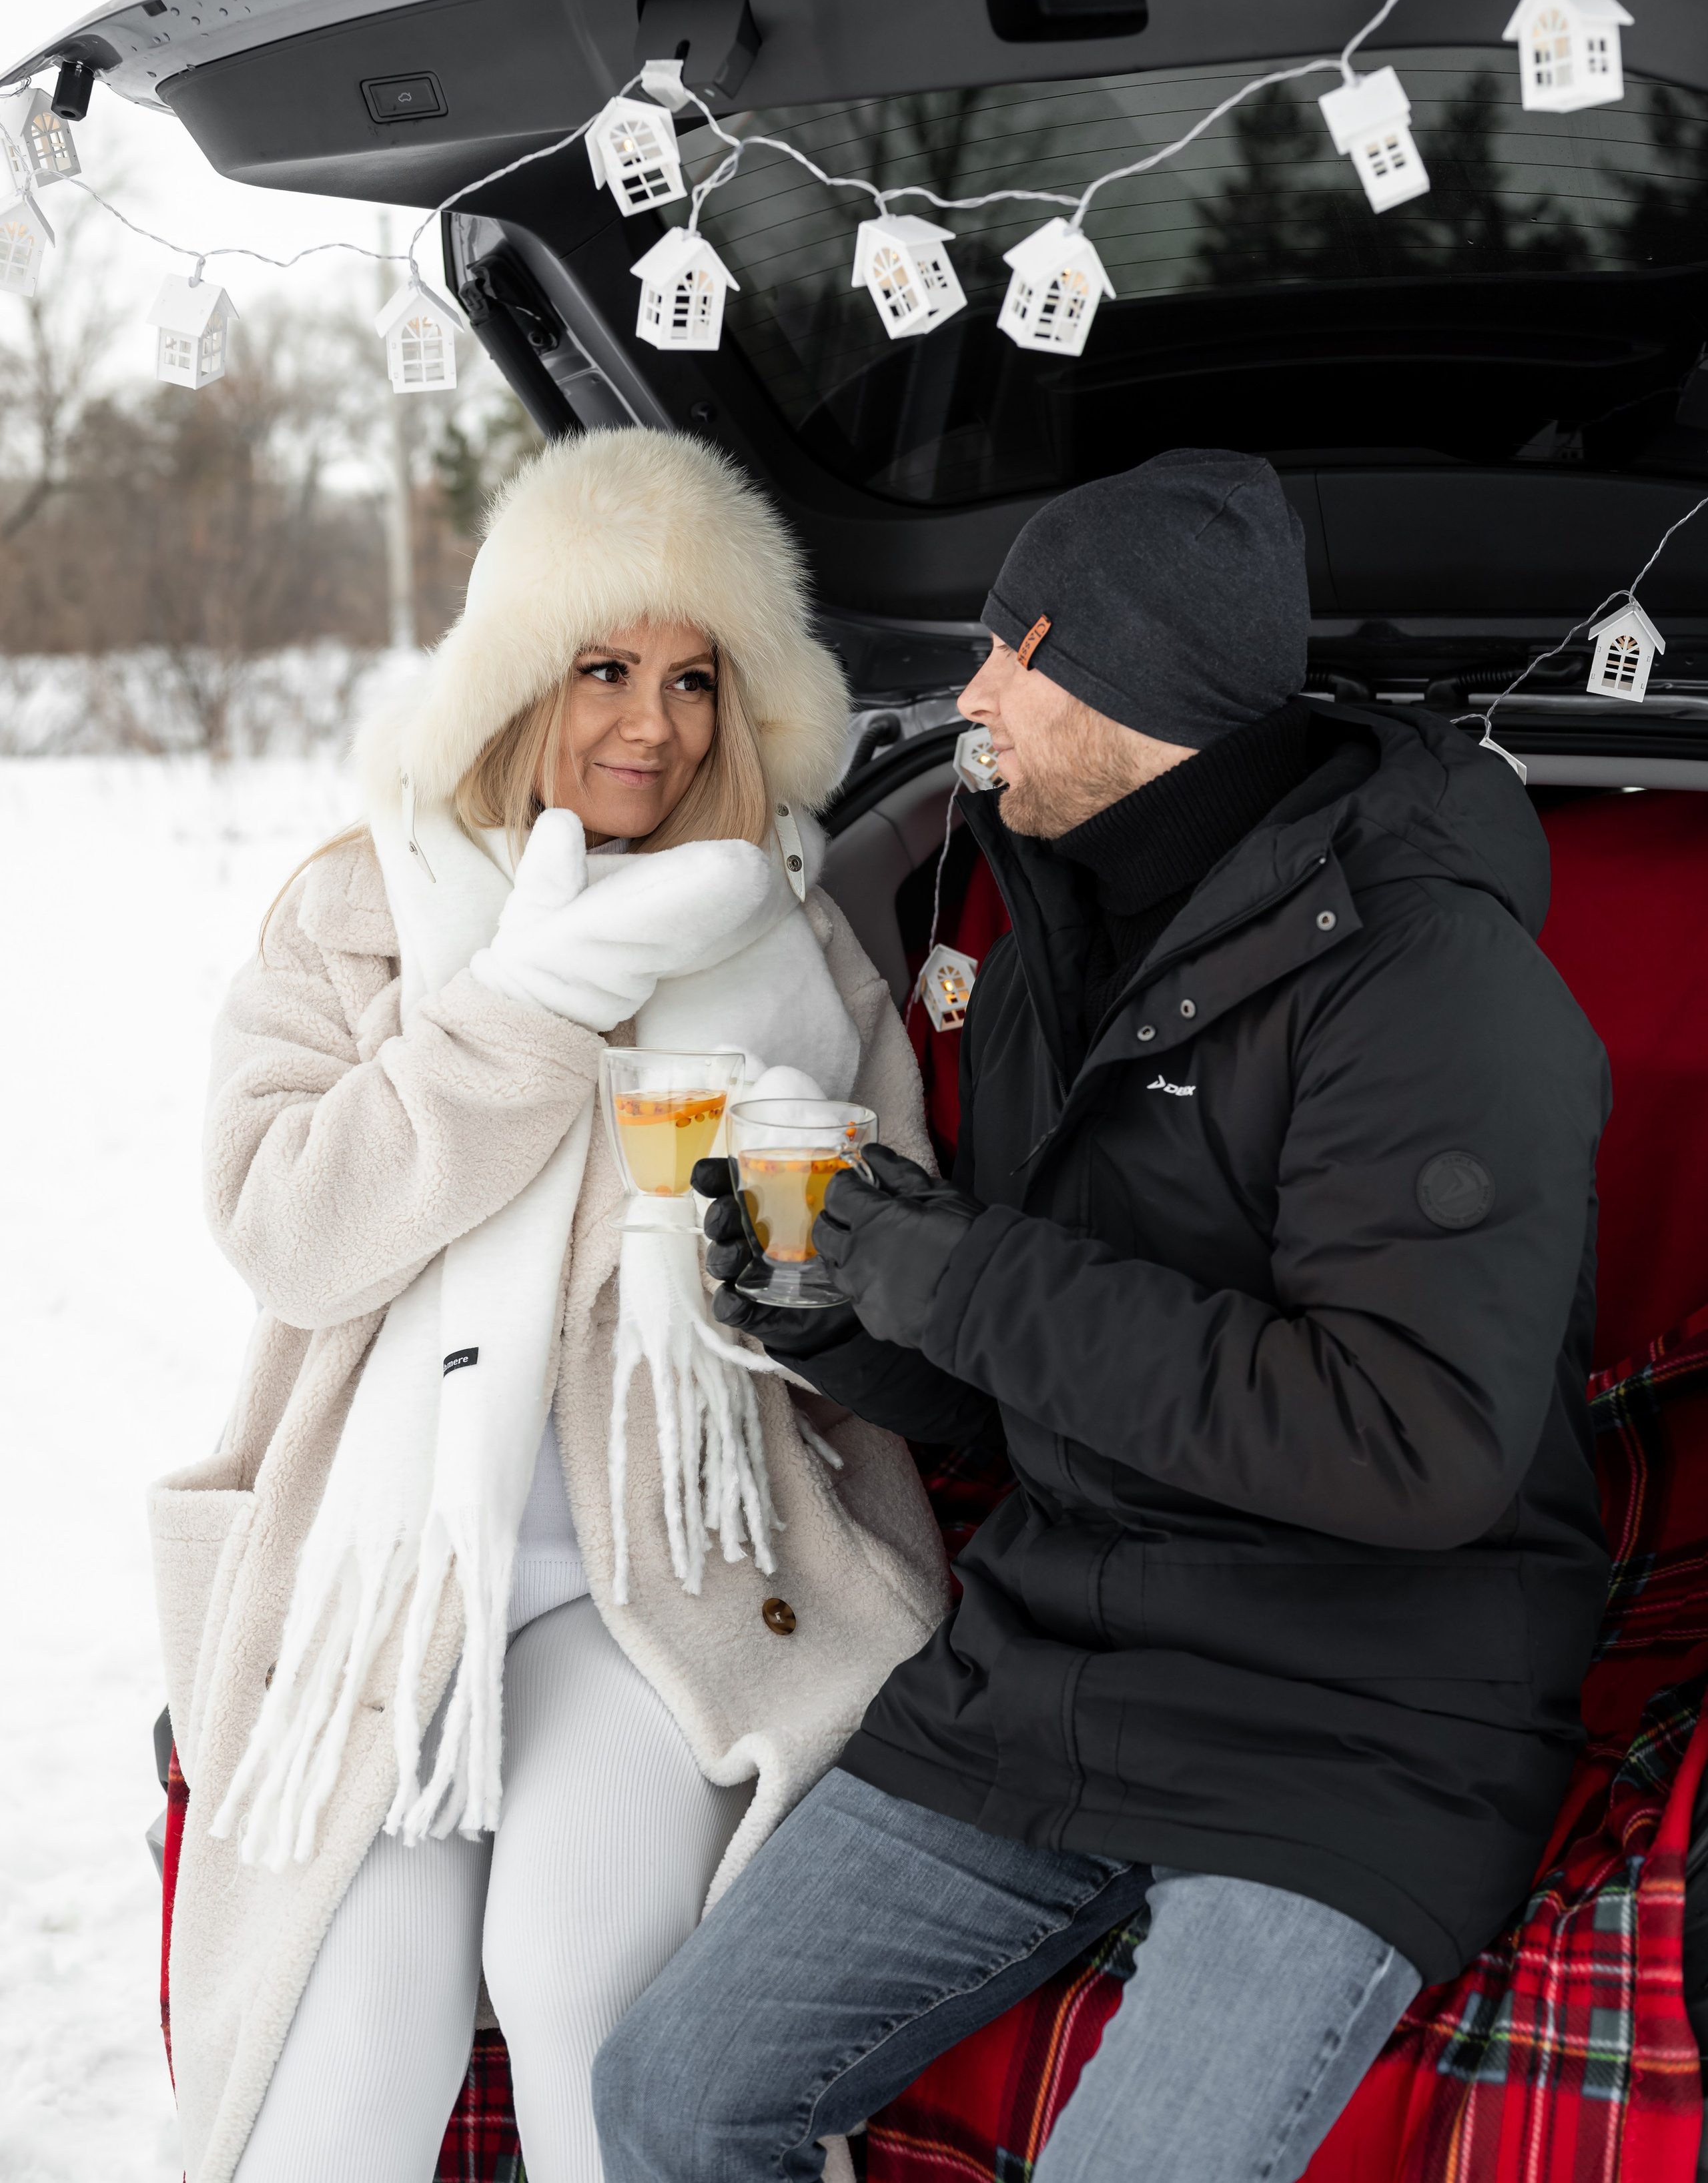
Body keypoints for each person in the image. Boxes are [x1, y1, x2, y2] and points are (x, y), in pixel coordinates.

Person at [594, 447, 1613, 2183]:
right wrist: (836, 1312)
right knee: (669, 2097)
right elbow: (1042, 1391)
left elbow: (1415, 1443)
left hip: (1358, 1715)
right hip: (1048, 1670)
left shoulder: (1429, 978)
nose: (973, 694)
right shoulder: (1045, 939)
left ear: (1143, 684)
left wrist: (951, 1268)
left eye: (1018, 649)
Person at [148, 429, 950, 2183]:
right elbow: (290, 1231)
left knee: (585, 1976)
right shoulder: (359, 907)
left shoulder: (788, 939)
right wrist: (530, 1006)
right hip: (382, 1572)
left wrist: (793, 1273)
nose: (651, 725)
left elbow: (889, 1291)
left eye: (693, 678)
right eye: (604, 668)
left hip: (668, 1564)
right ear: (520, 672)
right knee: (345, 2058)